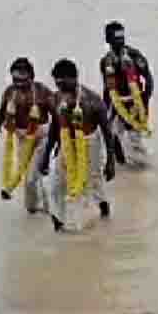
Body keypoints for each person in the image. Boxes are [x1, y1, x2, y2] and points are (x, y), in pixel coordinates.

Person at [40, 59, 115, 232]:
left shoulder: (93, 100)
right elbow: (54, 128)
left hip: (89, 144)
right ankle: (59, 222)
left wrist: (110, 160)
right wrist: (46, 156)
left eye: (63, 81)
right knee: (55, 185)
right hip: (65, 145)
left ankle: (102, 212)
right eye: (57, 81)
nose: (59, 85)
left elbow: (107, 132)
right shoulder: (55, 99)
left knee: (91, 183)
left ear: (75, 78)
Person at [0, 58, 55, 212]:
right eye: (15, 79)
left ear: (31, 76)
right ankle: (32, 208)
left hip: (41, 136)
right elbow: (1, 111)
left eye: (22, 79)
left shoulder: (42, 91)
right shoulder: (9, 92)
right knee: (27, 176)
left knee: (34, 174)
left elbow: (57, 113)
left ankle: (50, 206)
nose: (18, 83)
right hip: (21, 138)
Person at [99, 21, 153, 166]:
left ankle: (143, 171)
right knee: (111, 134)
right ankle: (122, 167)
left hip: (135, 103)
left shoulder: (134, 55)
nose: (120, 41)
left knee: (134, 140)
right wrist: (105, 110)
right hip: (117, 104)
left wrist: (144, 103)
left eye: (121, 37)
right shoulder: (105, 62)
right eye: (116, 38)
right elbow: (107, 88)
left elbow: (148, 79)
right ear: (107, 39)